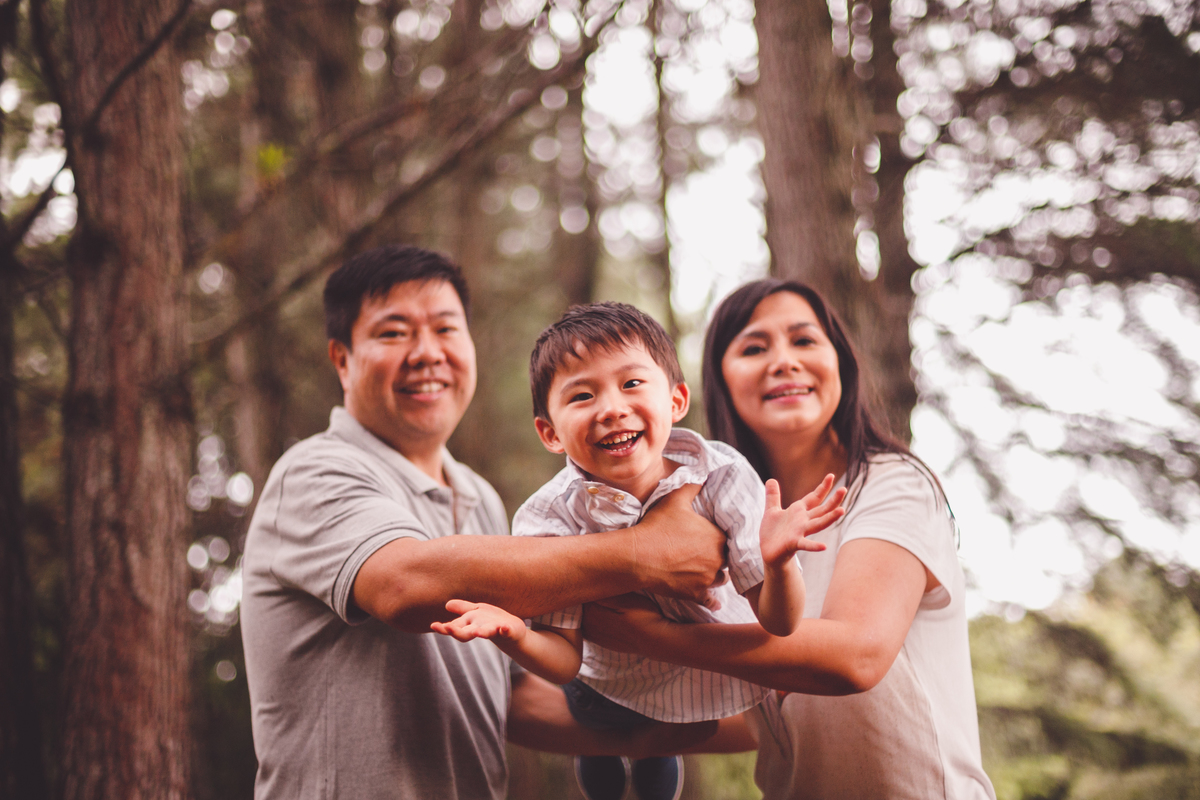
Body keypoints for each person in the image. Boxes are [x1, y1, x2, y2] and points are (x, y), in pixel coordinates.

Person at [239, 245, 730, 800]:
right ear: (342, 360)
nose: (427, 353)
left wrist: (709, 715)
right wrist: (647, 552)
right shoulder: (313, 472)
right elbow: (404, 584)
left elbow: (512, 700)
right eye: (394, 333)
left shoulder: (478, 499)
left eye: (446, 328)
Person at [584, 279, 997, 800]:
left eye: (804, 341)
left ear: (840, 364)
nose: (783, 361)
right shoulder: (723, 525)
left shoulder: (893, 483)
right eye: (755, 348)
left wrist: (646, 636)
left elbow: (857, 655)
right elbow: (761, 705)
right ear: (720, 381)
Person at [431, 302, 844, 800]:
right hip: (602, 686)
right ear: (550, 433)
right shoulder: (549, 519)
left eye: (631, 384)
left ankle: (653, 758)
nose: (611, 408)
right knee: (602, 746)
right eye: (582, 395)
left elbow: (780, 623)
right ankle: (601, 753)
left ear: (675, 400)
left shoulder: (721, 476)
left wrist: (777, 566)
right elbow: (563, 661)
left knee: (660, 757)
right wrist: (513, 634)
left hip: (701, 669)